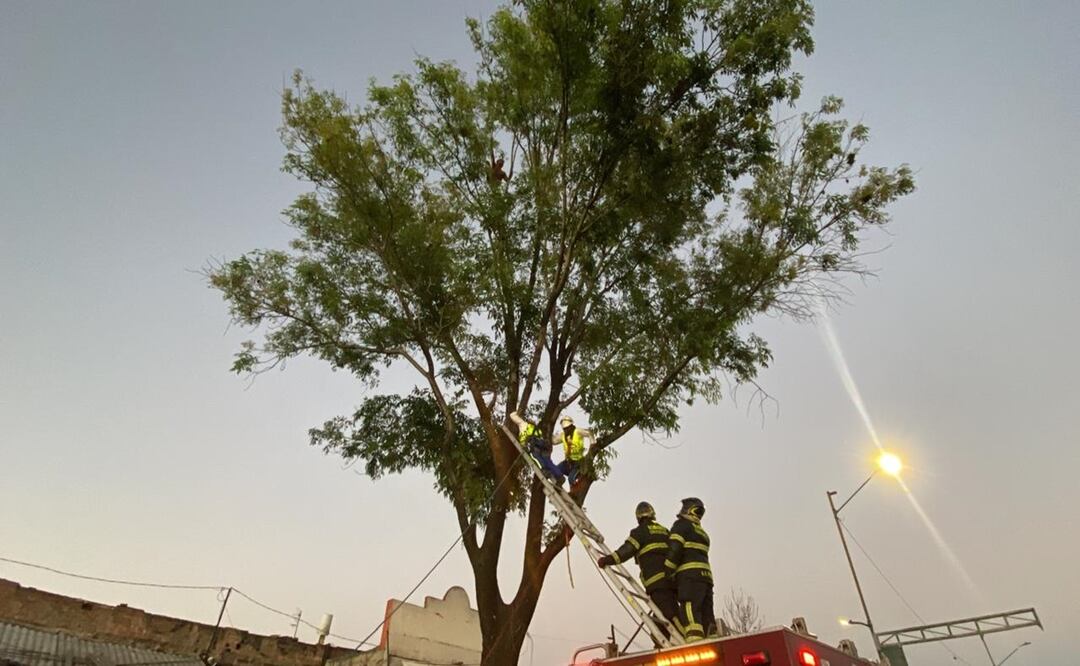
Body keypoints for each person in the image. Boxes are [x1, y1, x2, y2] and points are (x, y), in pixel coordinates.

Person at [597, 501, 678, 635]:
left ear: (638, 517)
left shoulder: (640, 532)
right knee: (664, 620)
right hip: (672, 582)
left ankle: (682, 641)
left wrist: (606, 560)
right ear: (652, 515)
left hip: (656, 583)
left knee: (670, 617)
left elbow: (626, 551)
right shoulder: (665, 531)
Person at [664, 497, 716, 641]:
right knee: (707, 612)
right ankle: (712, 637)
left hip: (689, 577)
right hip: (706, 578)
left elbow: (675, 550)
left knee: (689, 607)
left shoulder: (681, 526)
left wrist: (668, 571)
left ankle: (695, 640)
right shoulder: (702, 533)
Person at [509, 411, 565, 485]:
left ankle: (544, 470)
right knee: (548, 462)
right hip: (542, 445)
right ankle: (560, 476)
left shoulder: (524, 425)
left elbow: (512, 416)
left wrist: (518, 411)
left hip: (533, 445)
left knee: (535, 457)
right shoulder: (537, 430)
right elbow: (548, 440)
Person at [555, 416, 589, 485]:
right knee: (555, 470)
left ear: (571, 426)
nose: (566, 430)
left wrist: (592, 445)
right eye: (564, 429)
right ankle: (559, 484)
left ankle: (573, 492)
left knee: (571, 479)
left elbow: (589, 433)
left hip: (578, 463)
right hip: (568, 462)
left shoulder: (577, 431)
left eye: (567, 428)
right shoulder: (563, 435)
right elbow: (554, 441)